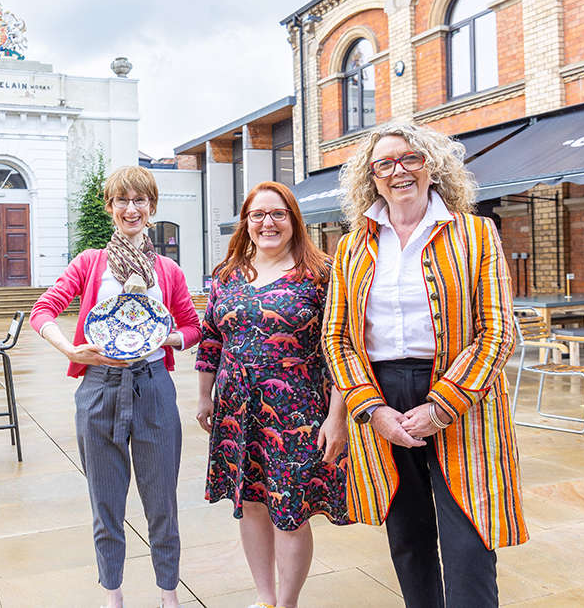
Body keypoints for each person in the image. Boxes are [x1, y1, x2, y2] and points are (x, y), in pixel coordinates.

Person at [321, 122, 528, 607]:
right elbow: (337, 339)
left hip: (463, 399)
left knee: (469, 539)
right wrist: (371, 410)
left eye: (411, 159)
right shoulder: (353, 246)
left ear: (432, 167)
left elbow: (498, 332)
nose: (399, 171)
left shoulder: (476, 234)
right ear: (371, 177)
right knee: (408, 538)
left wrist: (443, 406)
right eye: (386, 163)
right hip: (383, 396)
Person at [30, 165, 200, 608]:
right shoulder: (90, 263)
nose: (131, 208)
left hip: (153, 387)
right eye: (122, 200)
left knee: (161, 501)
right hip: (100, 389)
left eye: (140, 200)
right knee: (105, 503)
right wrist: (70, 349)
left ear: (152, 208)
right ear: (110, 208)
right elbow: (43, 310)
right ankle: (113, 595)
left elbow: (192, 326)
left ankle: (168, 595)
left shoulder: (167, 270)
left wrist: (166, 337)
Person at [195, 181, 350, 608]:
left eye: (278, 214)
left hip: (296, 411)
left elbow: (342, 347)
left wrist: (338, 417)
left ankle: (287, 603)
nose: (268, 223)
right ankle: (264, 599)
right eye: (258, 215)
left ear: (293, 220)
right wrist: (204, 396)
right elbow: (211, 340)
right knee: (251, 503)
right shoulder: (227, 275)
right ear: (246, 223)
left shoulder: (321, 274)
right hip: (236, 410)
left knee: (290, 510)